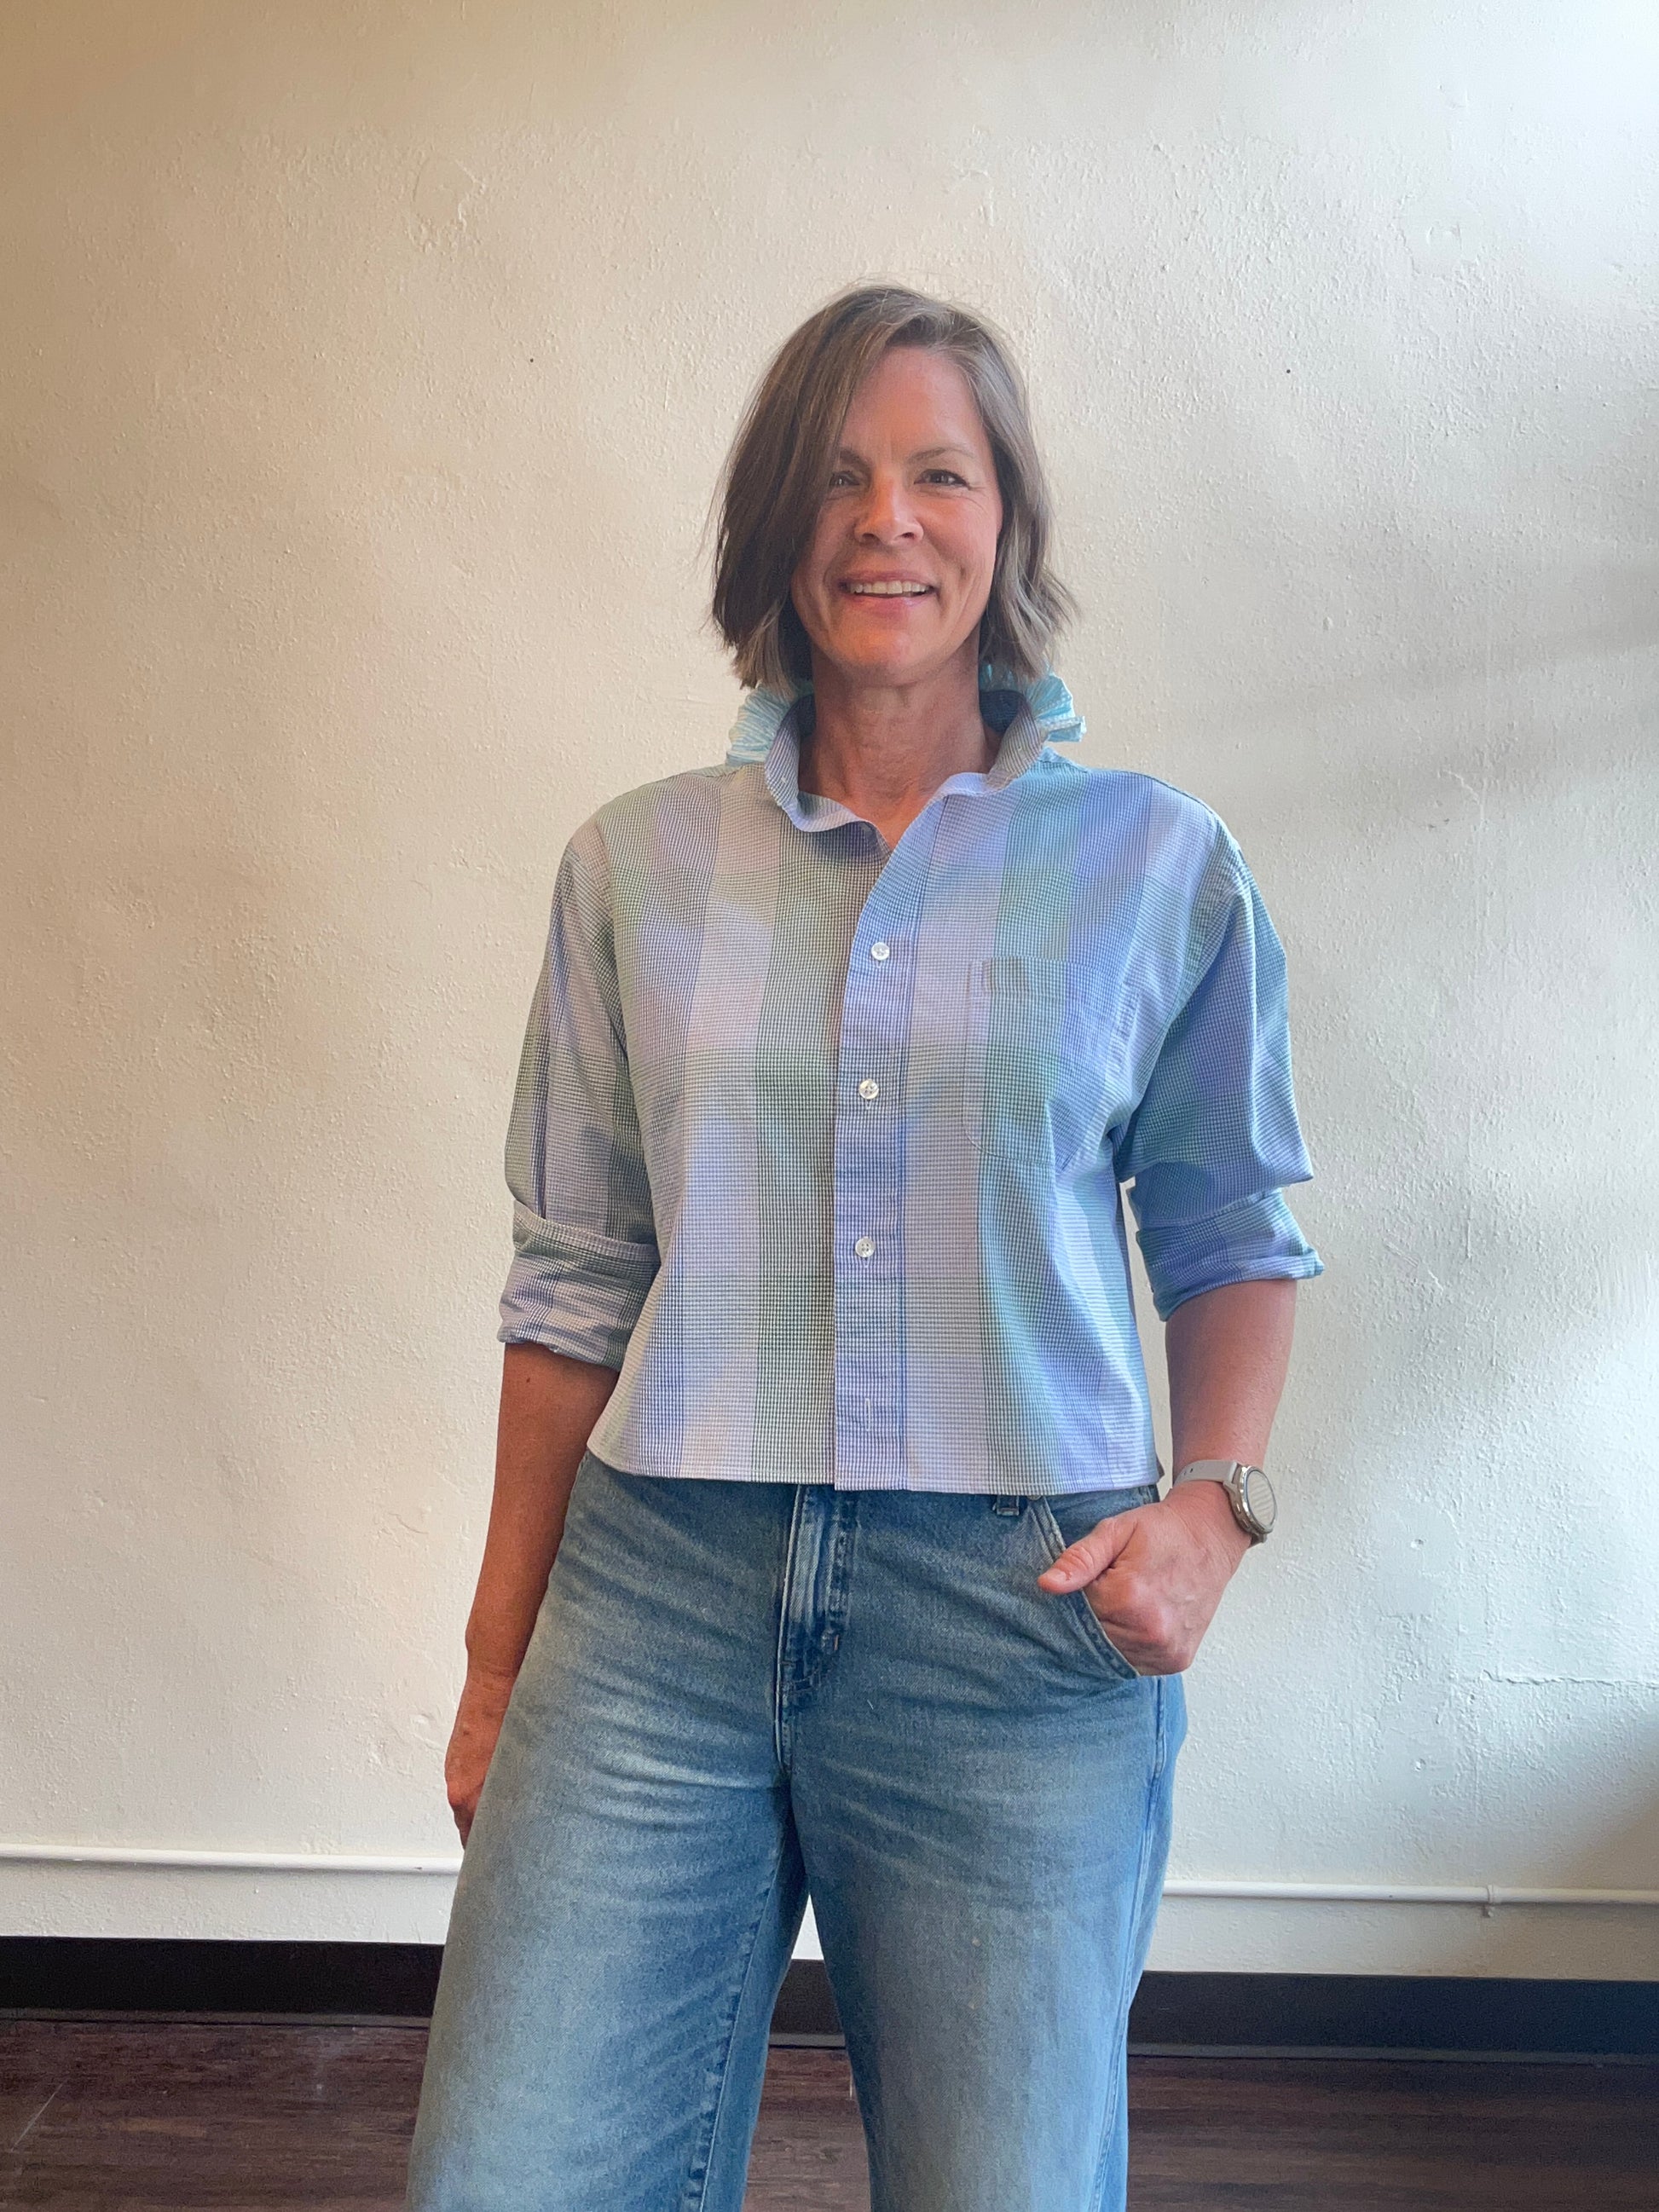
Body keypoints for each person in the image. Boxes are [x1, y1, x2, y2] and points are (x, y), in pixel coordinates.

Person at [403, 283, 1323, 2212]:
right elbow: (573, 1282)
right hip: (655, 1599)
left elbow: (1229, 1227)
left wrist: (1214, 1512)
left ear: (1008, 523)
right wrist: (495, 1665)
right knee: (507, 2176)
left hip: (1015, 1612)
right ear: (775, 523)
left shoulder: (1158, 865)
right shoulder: (632, 866)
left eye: (937, 474)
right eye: (836, 476)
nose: (885, 519)